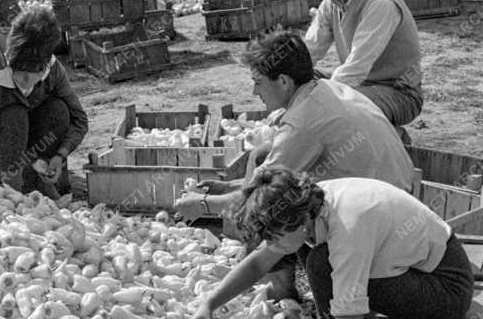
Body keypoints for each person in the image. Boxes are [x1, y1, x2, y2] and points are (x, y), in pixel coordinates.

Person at [186, 167, 474, 319]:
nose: (270, 246)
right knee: (314, 257)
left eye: (273, 237)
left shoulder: (347, 230)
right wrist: (209, 303)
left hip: (445, 289)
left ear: (297, 225)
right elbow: (258, 263)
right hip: (418, 269)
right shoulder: (307, 206)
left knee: (320, 263)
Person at [176, 31, 416, 301]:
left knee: (267, 210)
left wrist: (203, 204)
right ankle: (281, 282)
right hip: (399, 193)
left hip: (379, 220)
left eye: (258, 83)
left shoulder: (301, 124)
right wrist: (229, 186)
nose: (254, 92)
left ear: (283, 81)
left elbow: (259, 197)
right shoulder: (325, 87)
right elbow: (267, 176)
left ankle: (284, 293)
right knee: (262, 156)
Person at [0, 5, 87, 197]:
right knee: (15, 115)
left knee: (58, 111)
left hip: (24, 153)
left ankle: (38, 178)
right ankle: (12, 192)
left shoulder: (53, 71)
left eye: (34, 76)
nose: (26, 83)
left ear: (45, 66)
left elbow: (80, 120)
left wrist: (60, 156)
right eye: (21, 76)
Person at [300, 0, 422, 128]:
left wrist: (318, 100)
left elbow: (357, 67)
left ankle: (392, 138)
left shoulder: (380, 2)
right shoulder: (331, 3)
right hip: (362, 84)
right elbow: (310, 51)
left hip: (398, 92)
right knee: (298, 79)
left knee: (336, 107)